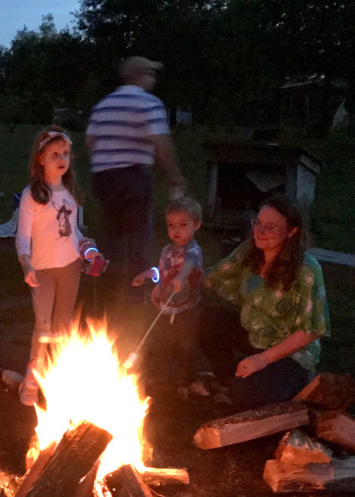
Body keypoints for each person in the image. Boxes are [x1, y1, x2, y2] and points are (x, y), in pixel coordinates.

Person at [201, 195, 330, 409]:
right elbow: (214, 277)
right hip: (254, 336)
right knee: (203, 319)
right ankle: (230, 377)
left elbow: (311, 330)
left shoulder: (306, 269)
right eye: (258, 223)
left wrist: (263, 359)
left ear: (291, 231)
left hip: (290, 354)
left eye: (270, 227)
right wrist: (181, 276)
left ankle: (281, 384)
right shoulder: (249, 251)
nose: (260, 231)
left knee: (245, 393)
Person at [86, 56, 187, 300]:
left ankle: (102, 293)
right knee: (138, 238)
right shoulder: (148, 103)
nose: (153, 79)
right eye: (151, 74)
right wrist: (174, 177)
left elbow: (90, 142)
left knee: (109, 237)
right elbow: (161, 142)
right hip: (133, 177)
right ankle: (137, 294)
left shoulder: (103, 105)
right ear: (140, 76)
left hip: (103, 178)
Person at [16, 126, 102, 406]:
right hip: (42, 270)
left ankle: (60, 379)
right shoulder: (32, 195)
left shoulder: (71, 191)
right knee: (43, 326)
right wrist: (26, 263)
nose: (61, 158)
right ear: (40, 158)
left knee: (64, 326)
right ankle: (32, 379)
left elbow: (73, 231)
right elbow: (23, 235)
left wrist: (87, 250)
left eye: (65, 153)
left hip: (69, 268)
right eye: (54, 154)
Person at [132, 197, 203, 385]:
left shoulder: (193, 251)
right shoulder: (167, 250)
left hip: (186, 307)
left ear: (197, 224)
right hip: (165, 306)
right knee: (163, 341)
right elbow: (162, 271)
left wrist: (181, 278)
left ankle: (184, 378)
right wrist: (147, 275)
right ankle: (162, 375)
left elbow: (189, 265)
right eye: (171, 225)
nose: (176, 230)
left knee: (185, 343)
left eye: (182, 225)